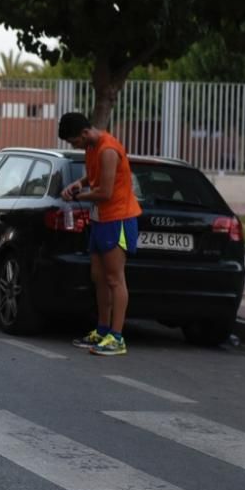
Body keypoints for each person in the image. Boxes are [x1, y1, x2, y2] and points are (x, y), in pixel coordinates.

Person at [59, 112, 142, 357]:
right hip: (101, 218)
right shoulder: (92, 147)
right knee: (99, 276)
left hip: (119, 218)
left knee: (115, 278)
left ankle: (117, 338)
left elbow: (105, 192)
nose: (75, 146)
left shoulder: (107, 149)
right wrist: (80, 183)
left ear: (85, 133)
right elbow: (95, 176)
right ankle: (103, 329)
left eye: (75, 141)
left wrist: (77, 196)